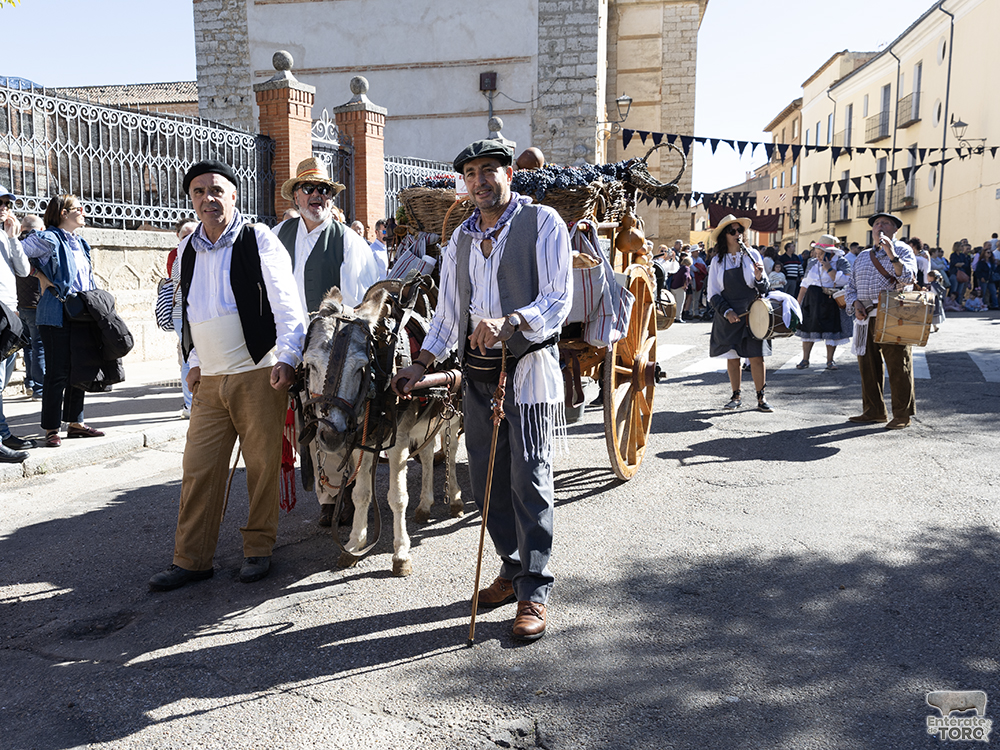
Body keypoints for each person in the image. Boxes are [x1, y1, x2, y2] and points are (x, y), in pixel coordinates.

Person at [392, 139, 572, 642]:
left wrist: (512, 320)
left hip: (528, 369)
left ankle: (534, 590)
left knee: (529, 478)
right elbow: (448, 315)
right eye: (470, 173)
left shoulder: (543, 224)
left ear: (509, 174)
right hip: (476, 375)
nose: (479, 180)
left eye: (488, 170)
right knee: (487, 479)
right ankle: (511, 568)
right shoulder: (460, 242)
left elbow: (558, 297)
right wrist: (420, 362)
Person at [148, 160, 307, 591]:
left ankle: (258, 550)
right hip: (211, 380)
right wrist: (192, 362)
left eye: (216, 190)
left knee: (260, 468)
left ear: (234, 196)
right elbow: (191, 311)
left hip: (259, 373)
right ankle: (192, 559)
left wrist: (288, 359)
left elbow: (287, 304)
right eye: (198, 192)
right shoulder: (186, 250)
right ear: (191, 200)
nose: (208, 199)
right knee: (199, 469)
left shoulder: (259, 239)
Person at [20, 195, 106, 448]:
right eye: (79, 208)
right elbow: (17, 253)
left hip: (81, 312)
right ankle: (51, 428)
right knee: (57, 373)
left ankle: (76, 423)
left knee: (80, 368)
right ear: (63, 214)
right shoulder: (49, 238)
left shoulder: (80, 242)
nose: (84, 211)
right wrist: (38, 275)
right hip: (56, 313)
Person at [273, 158, 381, 315]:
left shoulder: (349, 242)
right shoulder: (278, 234)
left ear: (331, 199)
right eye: (308, 188)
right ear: (296, 197)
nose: (316, 194)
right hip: (283, 336)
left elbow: (359, 308)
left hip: (326, 336)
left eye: (323, 189)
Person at [844, 212, 917, 430]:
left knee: (898, 366)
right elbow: (850, 286)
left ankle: (902, 415)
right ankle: (873, 411)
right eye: (876, 223)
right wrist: (855, 303)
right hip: (865, 318)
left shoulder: (903, 250)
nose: (880, 226)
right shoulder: (863, 256)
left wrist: (892, 254)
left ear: (895, 230)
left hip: (893, 315)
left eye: (885, 223)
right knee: (867, 366)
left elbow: (908, 279)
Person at [706, 214, 772, 412]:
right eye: (732, 231)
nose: (737, 234)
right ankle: (736, 395)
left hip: (753, 313)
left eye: (740, 230)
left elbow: (764, 288)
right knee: (732, 357)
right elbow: (713, 293)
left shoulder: (752, 255)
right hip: (729, 314)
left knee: (756, 357)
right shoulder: (717, 261)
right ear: (724, 236)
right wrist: (726, 312)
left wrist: (760, 277)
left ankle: (761, 397)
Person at [0, 186, 34, 462]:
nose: (3, 207)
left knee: (3, 378)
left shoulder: (5, 235)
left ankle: (2, 432)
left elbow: (23, 270)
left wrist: (13, 238)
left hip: (10, 313)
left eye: (6, 203)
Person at [795, 235, 852, 370]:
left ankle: (830, 361)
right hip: (812, 299)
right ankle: (805, 359)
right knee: (808, 330)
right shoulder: (812, 263)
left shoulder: (841, 262)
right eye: (817, 253)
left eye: (821, 253)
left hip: (830, 299)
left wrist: (829, 268)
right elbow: (805, 284)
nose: (818, 256)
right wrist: (798, 302)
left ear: (829, 252)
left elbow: (845, 281)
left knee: (831, 331)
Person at [168, 218, 198, 418]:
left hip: (187, 314)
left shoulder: (184, 255)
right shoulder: (183, 257)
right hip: (185, 315)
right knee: (189, 358)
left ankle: (193, 404)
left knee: (192, 358)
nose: (190, 239)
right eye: (185, 236)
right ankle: (190, 405)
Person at [16, 214, 45, 403]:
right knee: (39, 346)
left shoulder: (15, 245)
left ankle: (30, 383)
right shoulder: (37, 245)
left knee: (27, 345)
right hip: (36, 303)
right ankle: (40, 389)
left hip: (19, 304)